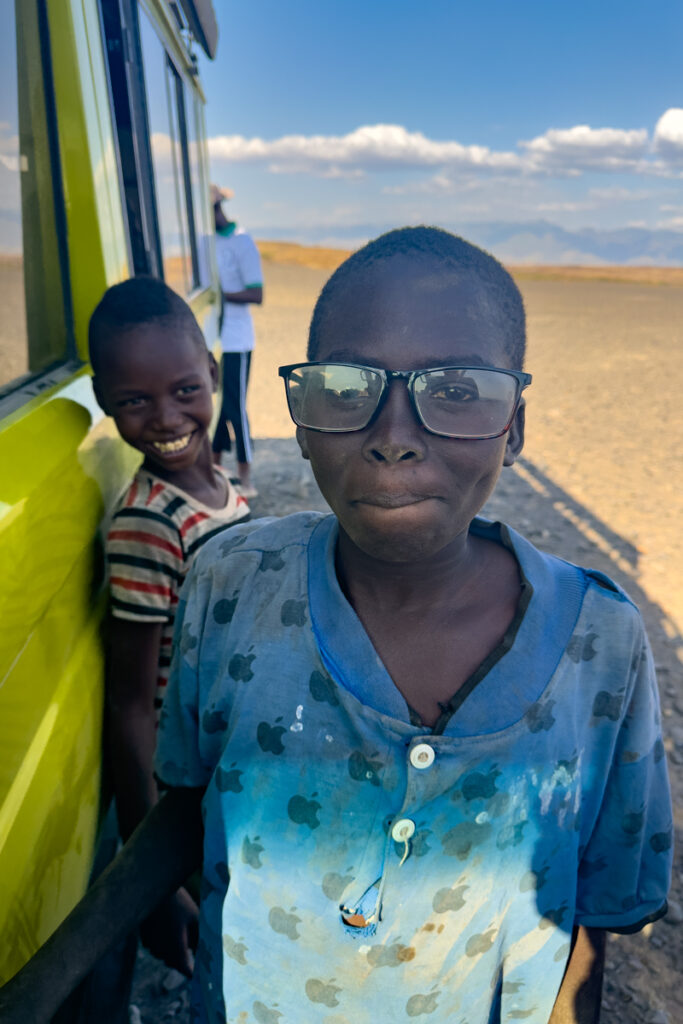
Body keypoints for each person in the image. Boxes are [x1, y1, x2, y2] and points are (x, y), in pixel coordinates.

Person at [0, 229, 672, 1024]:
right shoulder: (227, 584)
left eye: (456, 390)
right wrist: (45, 982)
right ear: (303, 415)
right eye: (346, 388)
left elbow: (591, 915)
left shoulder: (601, 643)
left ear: (513, 427)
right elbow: (187, 804)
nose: (392, 436)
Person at [93, 278, 250, 970]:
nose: (164, 417)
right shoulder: (148, 523)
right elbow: (131, 704)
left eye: (185, 390)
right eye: (134, 401)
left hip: (230, 762)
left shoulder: (219, 492)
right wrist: (146, 880)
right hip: (188, 784)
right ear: (106, 405)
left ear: (213, 375)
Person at [210, 183, 263, 498]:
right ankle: (214, 471)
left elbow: (256, 293)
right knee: (215, 407)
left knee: (234, 408)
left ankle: (246, 479)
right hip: (211, 339)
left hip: (237, 340)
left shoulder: (242, 242)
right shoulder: (206, 242)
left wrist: (219, 296)